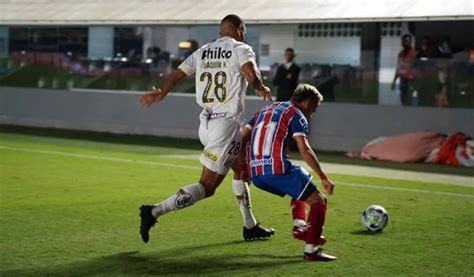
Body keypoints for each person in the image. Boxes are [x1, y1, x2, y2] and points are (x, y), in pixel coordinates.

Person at [138, 14, 275, 243]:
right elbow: (250, 72)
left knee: (242, 169)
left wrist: (161, 93)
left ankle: (250, 225)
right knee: (207, 187)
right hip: (226, 126)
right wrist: (259, 86)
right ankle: (153, 212)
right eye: (244, 29)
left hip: (207, 121)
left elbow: (176, 75)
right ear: (239, 29)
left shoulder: (202, 51)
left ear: (221, 32)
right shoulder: (241, 48)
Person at [241, 83, 336, 261]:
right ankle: (311, 250)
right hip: (276, 169)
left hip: (257, 175)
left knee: (302, 180)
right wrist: (324, 176)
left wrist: (244, 167)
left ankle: (300, 226)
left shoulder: (265, 109)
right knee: (319, 201)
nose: (312, 115)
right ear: (307, 102)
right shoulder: (297, 114)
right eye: (313, 109)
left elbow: (242, 136)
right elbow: (305, 149)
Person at [391, 34, 416, 105]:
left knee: (411, 99)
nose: (404, 43)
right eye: (403, 41)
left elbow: (416, 68)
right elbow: (398, 68)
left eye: (407, 41)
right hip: (402, 80)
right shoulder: (400, 54)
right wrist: (394, 81)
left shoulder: (414, 53)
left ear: (410, 42)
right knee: (402, 99)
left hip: (411, 80)